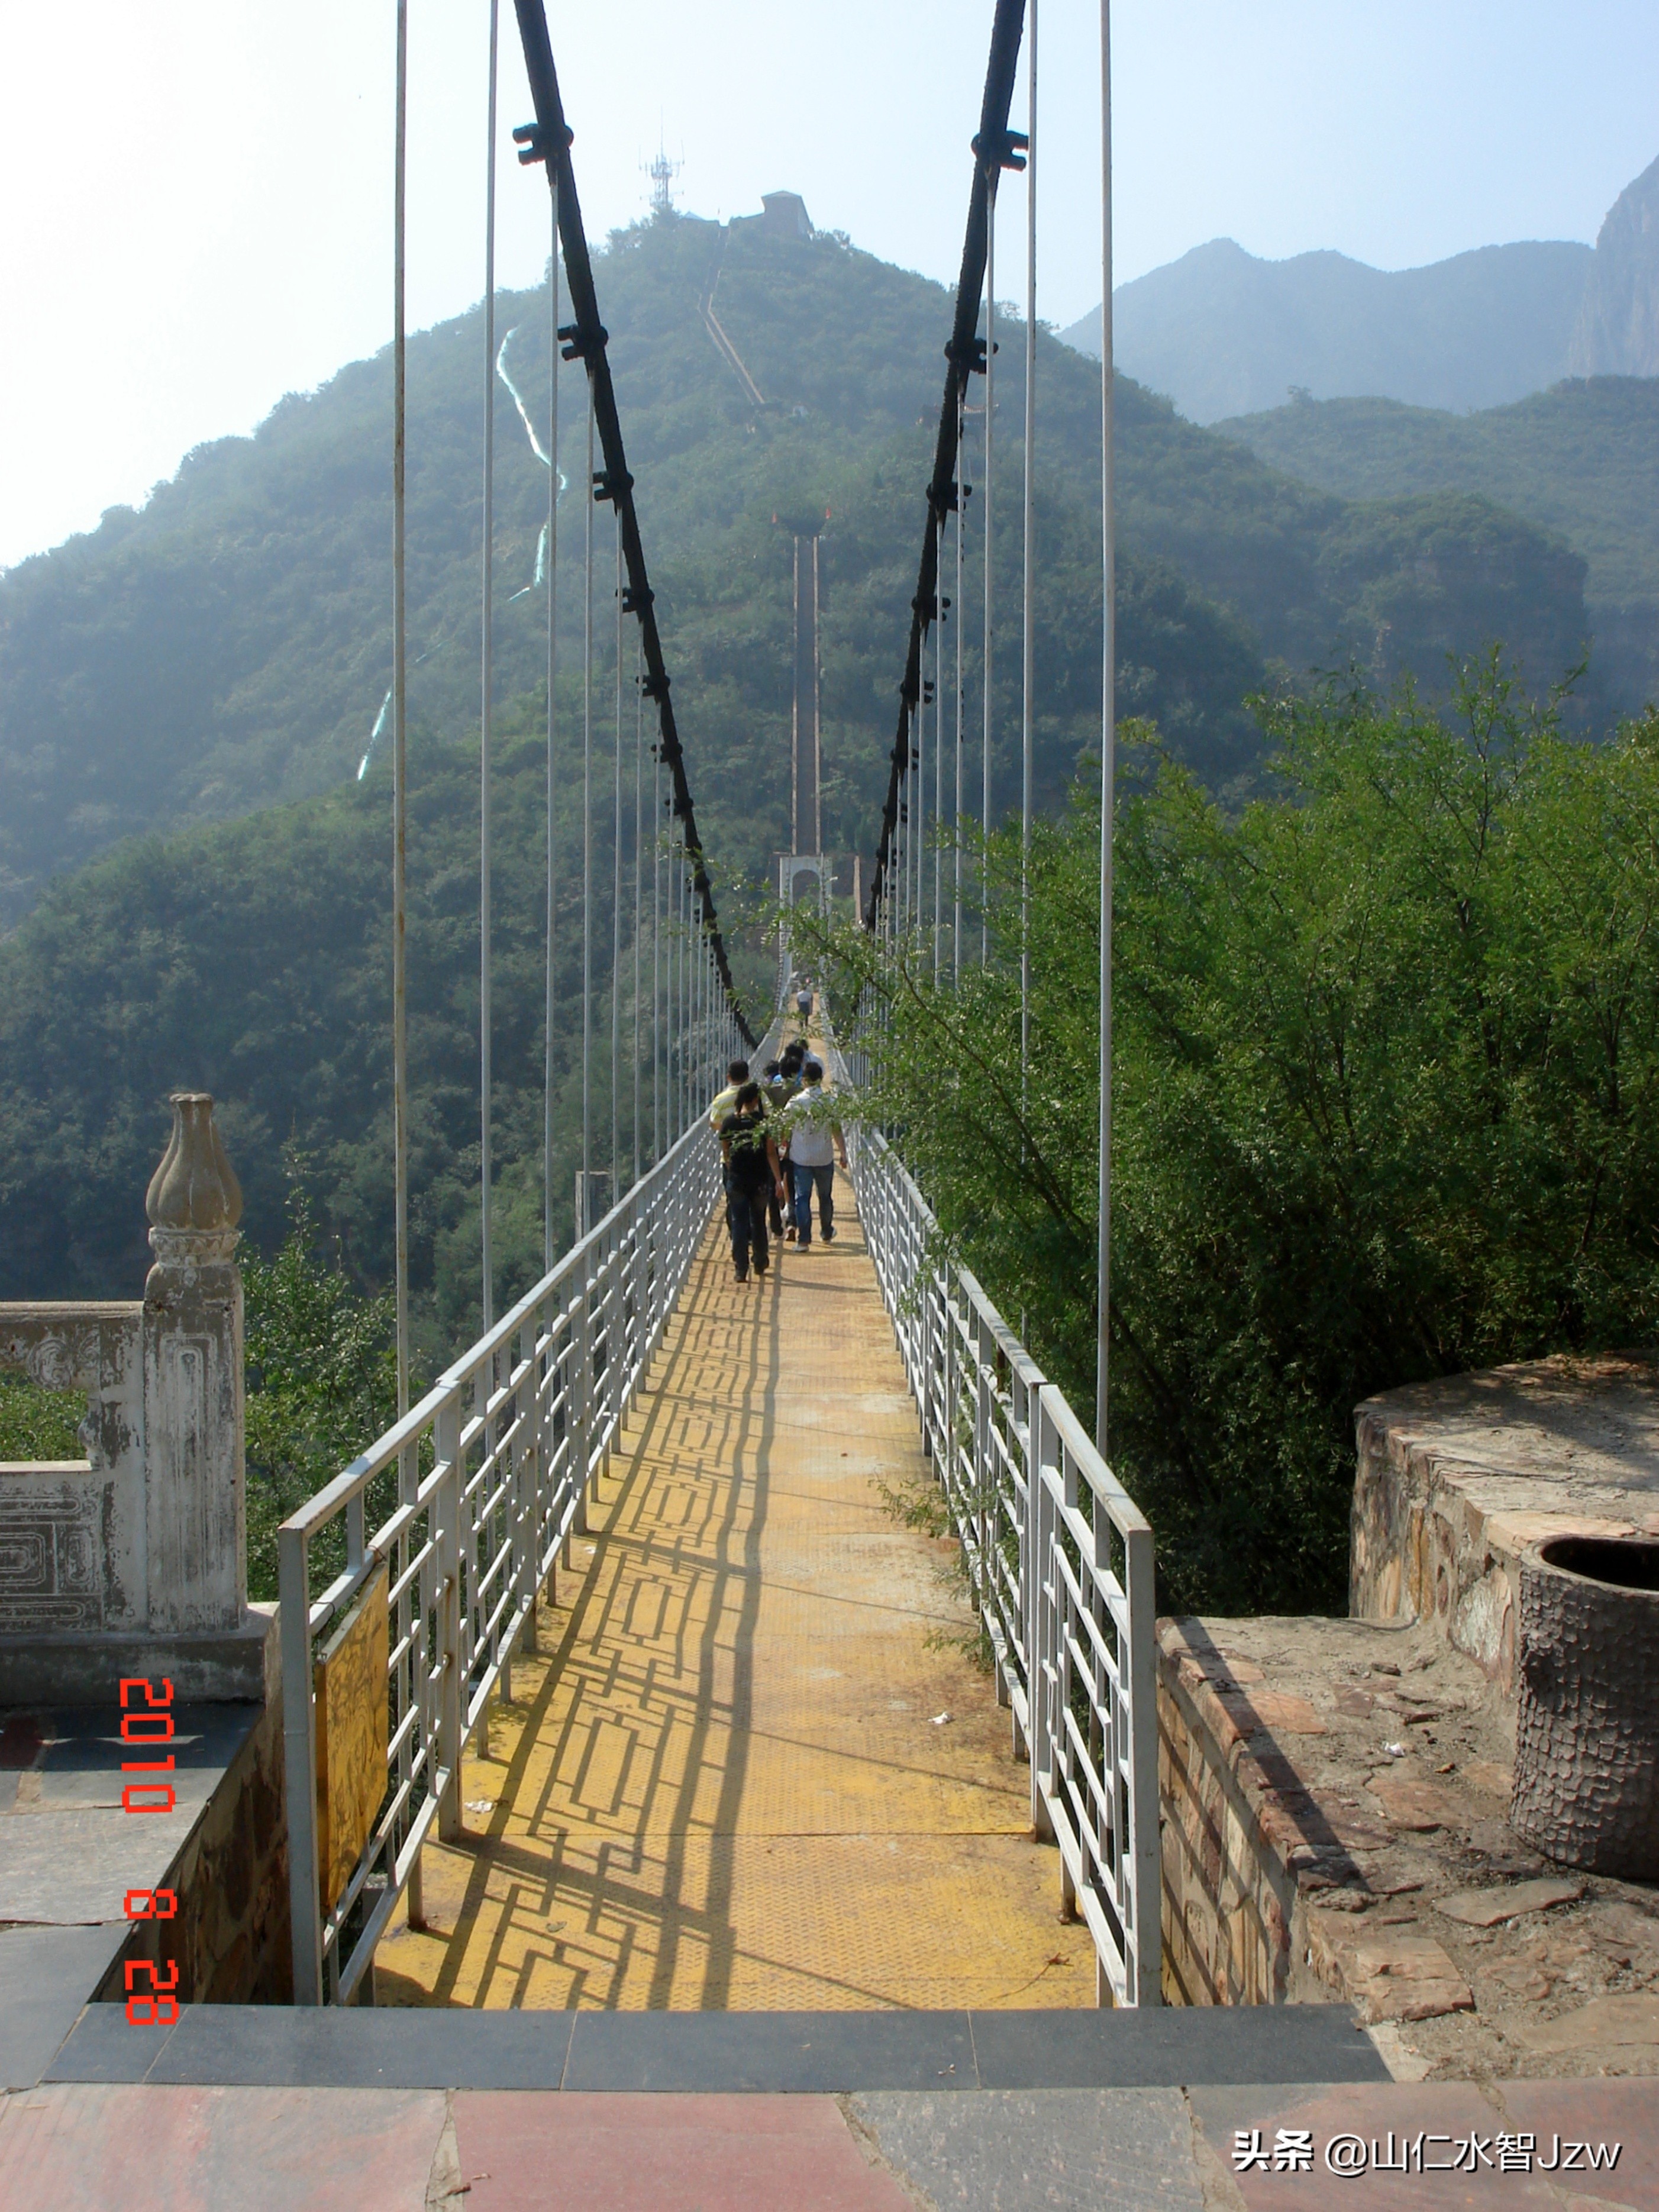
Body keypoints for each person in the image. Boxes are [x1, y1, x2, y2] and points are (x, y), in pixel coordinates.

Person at [719, 1082, 785, 1284]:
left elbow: (726, 1152)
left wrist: (732, 1171)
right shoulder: (763, 1123)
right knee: (758, 1220)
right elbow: (771, 1153)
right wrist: (778, 1181)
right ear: (756, 1100)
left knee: (739, 1223)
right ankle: (759, 1260)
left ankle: (741, 1269)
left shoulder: (729, 1122)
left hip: (737, 1179)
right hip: (759, 1181)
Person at [783, 1059, 847, 1249]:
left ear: (804, 1080)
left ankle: (804, 1241)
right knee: (825, 1196)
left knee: (802, 1197)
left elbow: (786, 1128)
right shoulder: (830, 1101)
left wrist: (783, 1148)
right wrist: (843, 1154)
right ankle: (826, 1232)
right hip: (824, 1157)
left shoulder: (796, 1102)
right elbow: (836, 1130)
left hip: (801, 1157)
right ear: (820, 1079)